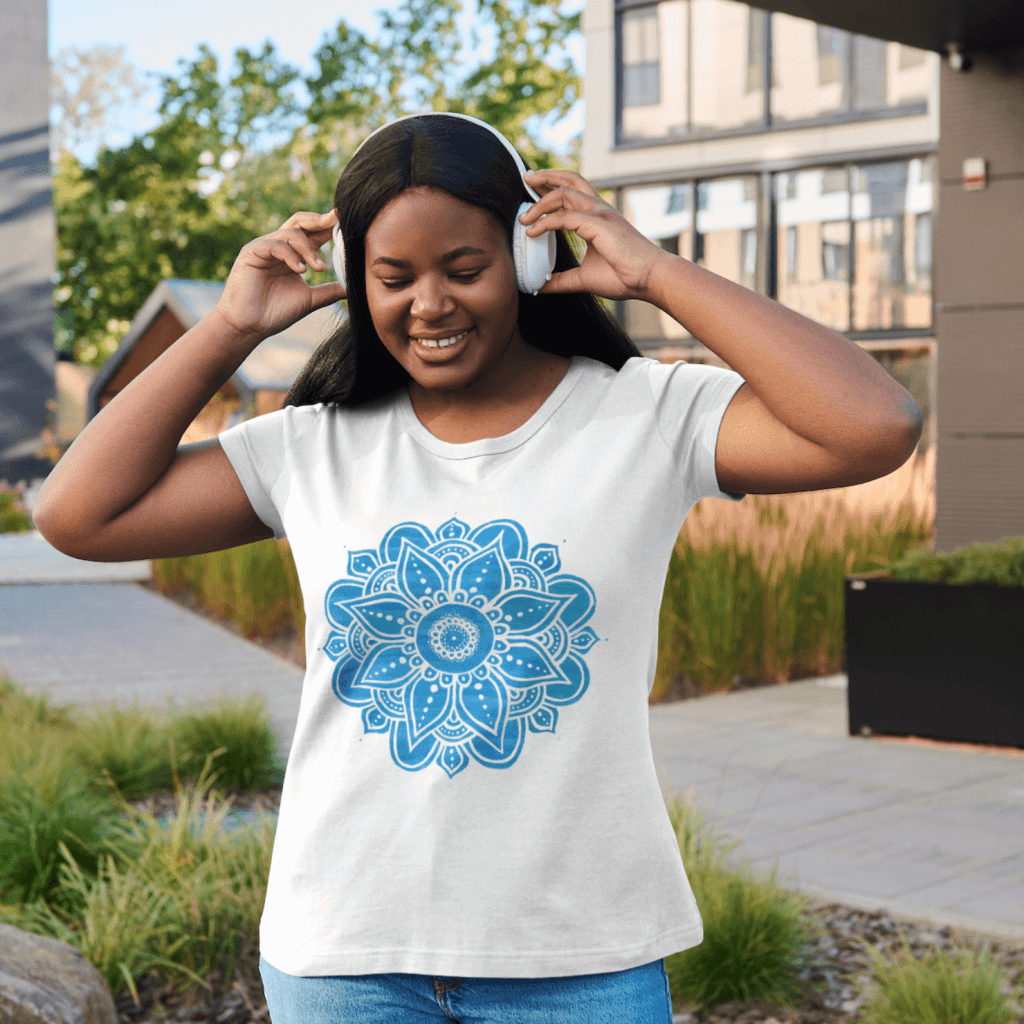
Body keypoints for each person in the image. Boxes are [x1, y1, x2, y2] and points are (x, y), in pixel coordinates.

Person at [33, 112, 921, 1023]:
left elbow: (876, 426)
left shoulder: (646, 417)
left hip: (581, 957)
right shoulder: (310, 448)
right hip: (346, 956)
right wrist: (229, 327)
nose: (430, 304)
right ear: (353, 282)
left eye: (465, 270)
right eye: (393, 277)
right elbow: (75, 515)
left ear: (529, 262)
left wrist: (657, 274)